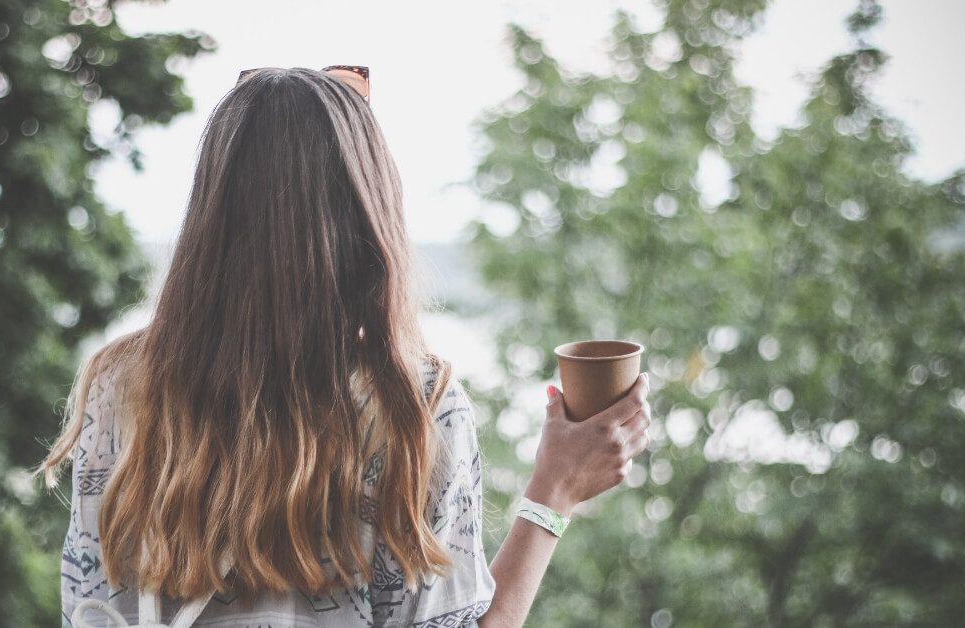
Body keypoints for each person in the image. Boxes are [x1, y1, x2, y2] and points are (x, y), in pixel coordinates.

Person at [40, 66, 651, 628]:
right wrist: (554, 491)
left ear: (211, 213)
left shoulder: (122, 384)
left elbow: (90, 608)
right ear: (366, 218)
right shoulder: (415, 407)